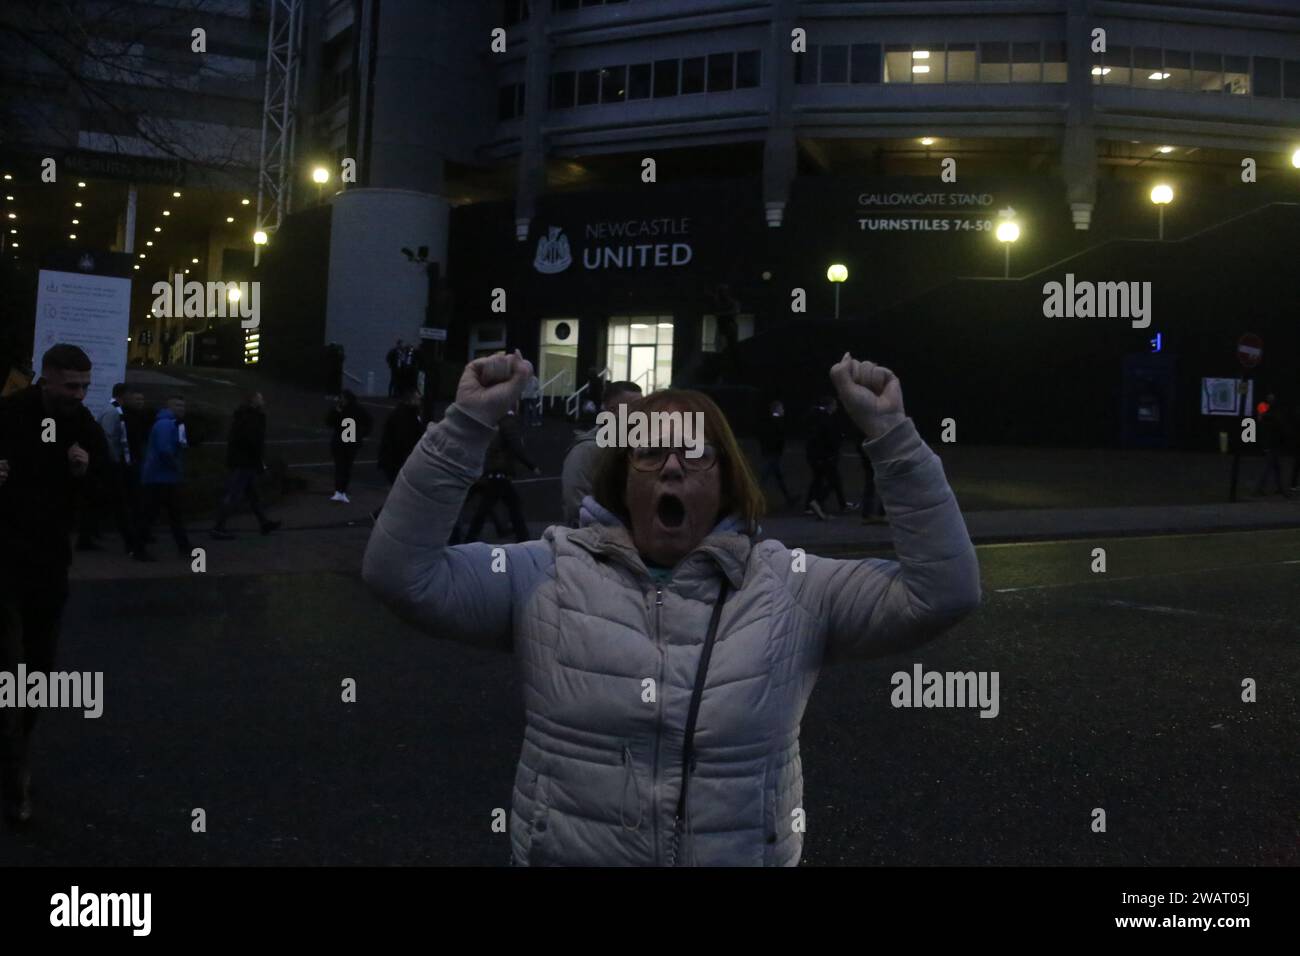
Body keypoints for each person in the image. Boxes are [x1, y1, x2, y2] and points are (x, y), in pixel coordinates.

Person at [363, 349, 980, 867]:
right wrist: (467, 425)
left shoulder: (794, 586)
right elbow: (401, 575)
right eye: (650, 452)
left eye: (697, 453)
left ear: (728, 479)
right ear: (623, 478)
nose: (674, 465)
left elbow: (943, 593)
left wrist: (893, 438)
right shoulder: (544, 572)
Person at [0, 344, 112, 824]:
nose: (79, 394)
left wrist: (87, 473)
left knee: (39, 669)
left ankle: (19, 748)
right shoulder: (6, 415)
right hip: (1, 559)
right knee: (9, 662)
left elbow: (111, 494)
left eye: (85, 386)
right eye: (71, 385)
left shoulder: (83, 426)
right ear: (45, 380)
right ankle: (14, 776)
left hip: (48, 564)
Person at [560, 380, 642, 527]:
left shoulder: (637, 448)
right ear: (612, 411)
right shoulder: (585, 451)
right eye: (635, 407)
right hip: (595, 542)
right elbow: (576, 507)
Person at [455, 403, 539, 543]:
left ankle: (518, 536)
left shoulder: (495, 420)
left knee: (503, 505)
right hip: (499, 472)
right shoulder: (508, 422)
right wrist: (532, 465)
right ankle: (522, 538)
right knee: (500, 506)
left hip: (492, 471)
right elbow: (515, 445)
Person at [210, 392, 281, 539]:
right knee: (234, 494)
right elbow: (253, 441)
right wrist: (259, 462)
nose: (263, 400)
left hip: (243, 461)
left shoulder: (245, 415)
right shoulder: (251, 417)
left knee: (251, 494)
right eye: (260, 398)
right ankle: (218, 527)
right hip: (244, 462)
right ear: (254, 400)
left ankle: (264, 522)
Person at [134, 396, 192, 560]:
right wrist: (176, 466)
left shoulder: (170, 423)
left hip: (162, 476)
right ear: (169, 406)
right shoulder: (167, 424)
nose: (182, 408)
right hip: (160, 477)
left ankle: (183, 546)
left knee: (167, 514)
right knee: (158, 514)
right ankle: (140, 549)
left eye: (183, 405)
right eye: (178, 405)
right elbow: (165, 450)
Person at [94, 382, 140, 552]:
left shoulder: (113, 410)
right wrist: (116, 460)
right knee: (118, 503)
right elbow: (108, 438)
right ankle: (130, 542)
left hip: (111, 462)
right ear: (123, 395)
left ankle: (88, 534)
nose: (132, 398)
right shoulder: (113, 412)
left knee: (104, 500)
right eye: (129, 395)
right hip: (111, 464)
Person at [372, 385, 425, 521]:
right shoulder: (405, 416)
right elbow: (404, 440)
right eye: (417, 398)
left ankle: (385, 516)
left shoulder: (405, 414)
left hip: (394, 460)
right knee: (404, 492)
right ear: (410, 400)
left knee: (402, 492)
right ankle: (383, 516)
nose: (419, 401)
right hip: (396, 461)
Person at [803, 395, 843, 520]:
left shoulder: (817, 417)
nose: (836, 407)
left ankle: (813, 505)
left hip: (816, 455)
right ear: (830, 405)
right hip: (825, 456)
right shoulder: (826, 420)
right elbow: (829, 439)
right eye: (835, 404)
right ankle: (817, 502)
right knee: (832, 480)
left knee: (818, 480)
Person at [327, 390, 371, 504]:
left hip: (344, 442)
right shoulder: (356, 410)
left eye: (342, 398)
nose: (340, 400)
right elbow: (368, 422)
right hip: (348, 442)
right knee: (344, 467)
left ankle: (340, 490)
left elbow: (329, 421)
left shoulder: (348, 410)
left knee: (342, 467)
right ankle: (341, 490)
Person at [756, 398, 797, 509]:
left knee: (776, 476)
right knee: (766, 476)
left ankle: (788, 497)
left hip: (770, 452)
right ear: (777, 409)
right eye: (781, 408)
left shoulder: (769, 422)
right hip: (772, 453)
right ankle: (752, 498)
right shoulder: (776, 422)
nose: (783, 410)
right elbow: (777, 438)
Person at [1252, 393, 1290, 498]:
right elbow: (1278, 428)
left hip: (1272, 443)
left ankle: (1278, 488)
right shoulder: (1272, 415)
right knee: (1270, 467)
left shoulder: (1268, 414)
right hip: (1273, 444)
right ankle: (1261, 488)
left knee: (1275, 467)